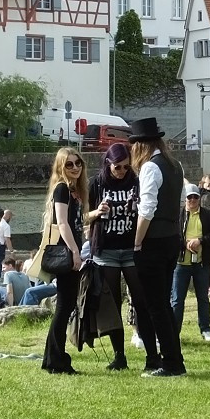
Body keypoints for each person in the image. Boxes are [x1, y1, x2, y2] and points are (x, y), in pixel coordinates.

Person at [87, 142, 153, 372]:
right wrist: (98, 212)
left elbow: (148, 210)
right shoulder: (96, 184)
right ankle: (119, 355)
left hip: (132, 248)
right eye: (118, 167)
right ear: (108, 163)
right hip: (107, 250)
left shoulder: (135, 181)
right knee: (112, 302)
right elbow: (82, 216)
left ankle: (151, 354)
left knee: (141, 299)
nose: (122, 171)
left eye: (125, 167)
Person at [130, 117, 187, 377]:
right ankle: (174, 358)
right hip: (171, 237)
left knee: (156, 305)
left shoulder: (150, 168)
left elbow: (147, 209)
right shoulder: (175, 166)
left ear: (141, 145)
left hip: (153, 241)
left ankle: (171, 362)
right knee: (163, 302)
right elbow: (182, 203)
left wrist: (137, 240)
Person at [40, 148, 87, 374]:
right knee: (64, 305)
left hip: (72, 250)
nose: (75, 167)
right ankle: (56, 360)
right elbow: (62, 223)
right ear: (60, 167)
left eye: (78, 163)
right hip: (67, 253)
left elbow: (75, 222)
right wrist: (75, 252)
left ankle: (52, 358)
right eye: (69, 164)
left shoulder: (74, 190)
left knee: (65, 305)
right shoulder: (62, 189)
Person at [171, 183, 210, 342]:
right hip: (181, 263)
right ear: (184, 199)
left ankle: (206, 329)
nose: (192, 200)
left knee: (203, 298)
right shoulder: (177, 216)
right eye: (189, 197)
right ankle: (174, 331)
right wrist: (185, 244)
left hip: (200, 263)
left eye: (195, 197)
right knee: (177, 300)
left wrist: (200, 241)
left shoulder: (207, 215)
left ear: (199, 198)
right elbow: (172, 236)